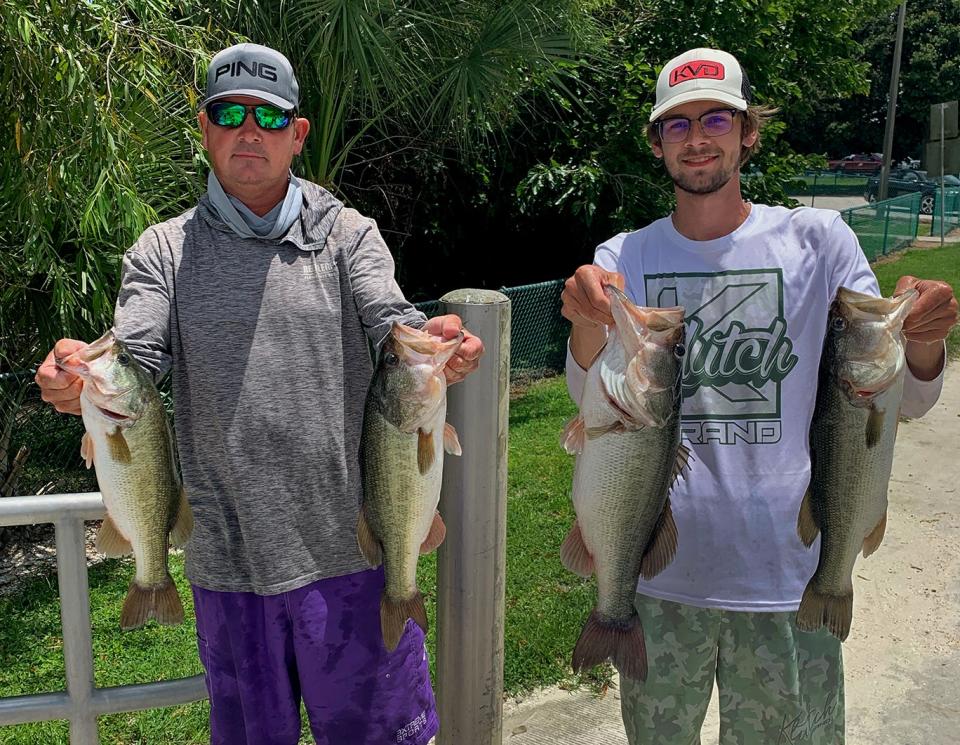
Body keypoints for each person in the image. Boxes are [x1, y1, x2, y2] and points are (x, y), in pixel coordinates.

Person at [35, 43, 483, 745]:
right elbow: (135, 355)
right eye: (230, 113)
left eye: (269, 117)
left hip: (353, 558)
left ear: (296, 135)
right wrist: (72, 379)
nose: (250, 131)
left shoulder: (348, 234)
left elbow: (394, 324)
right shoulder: (162, 251)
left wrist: (441, 344)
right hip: (227, 563)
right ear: (206, 129)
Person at [560, 47, 957, 744]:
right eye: (677, 126)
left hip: (788, 581)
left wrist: (923, 334)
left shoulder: (820, 241)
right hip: (658, 580)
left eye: (716, 117)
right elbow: (589, 391)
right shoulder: (626, 254)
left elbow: (899, 394)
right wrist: (588, 321)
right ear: (656, 144)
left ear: (748, 132)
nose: (698, 138)